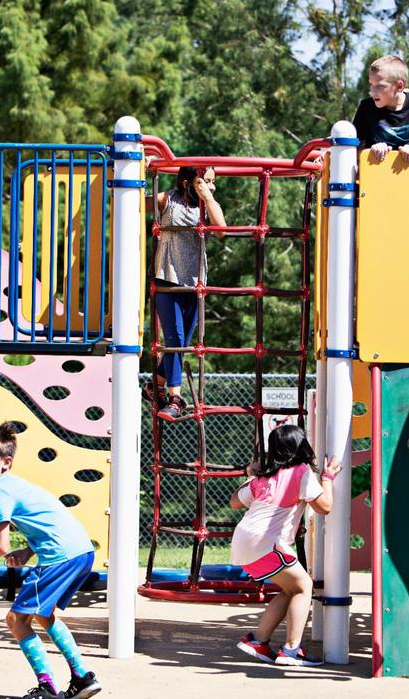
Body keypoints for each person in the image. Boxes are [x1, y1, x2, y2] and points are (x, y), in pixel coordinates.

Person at [0, 422, 101, 699]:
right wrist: (27, 550)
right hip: (81, 551)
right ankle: (82, 678)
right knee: (43, 614)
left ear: (6, 462)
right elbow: (50, 521)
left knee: (16, 621)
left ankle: (47, 690)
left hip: (60, 557)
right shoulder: (18, 484)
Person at [230, 425, 342, 667]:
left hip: (243, 540)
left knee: (290, 590)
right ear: (302, 447)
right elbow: (325, 507)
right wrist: (328, 478)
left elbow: (234, 503)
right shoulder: (300, 471)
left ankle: (258, 642)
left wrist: (251, 475)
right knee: (304, 587)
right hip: (266, 542)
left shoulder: (264, 475)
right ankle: (291, 650)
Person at [145, 165, 226, 420]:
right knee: (175, 339)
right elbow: (134, 201)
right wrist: (138, 170)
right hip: (166, 277)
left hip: (195, 281)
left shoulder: (207, 205)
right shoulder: (168, 199)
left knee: (181, 344)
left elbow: (222, 229)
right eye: (205, 181)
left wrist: (208, 196)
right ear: (186, 182)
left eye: (213, 182)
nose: (210, 186)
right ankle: (175, 398)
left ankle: (154, 384)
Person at [352, 55, 409, 164]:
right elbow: (352, 148)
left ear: (399, 86)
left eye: (380, 86)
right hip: (376, 176)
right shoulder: (366, 108)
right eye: (371, 85)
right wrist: (370, 150)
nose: (372, 91)